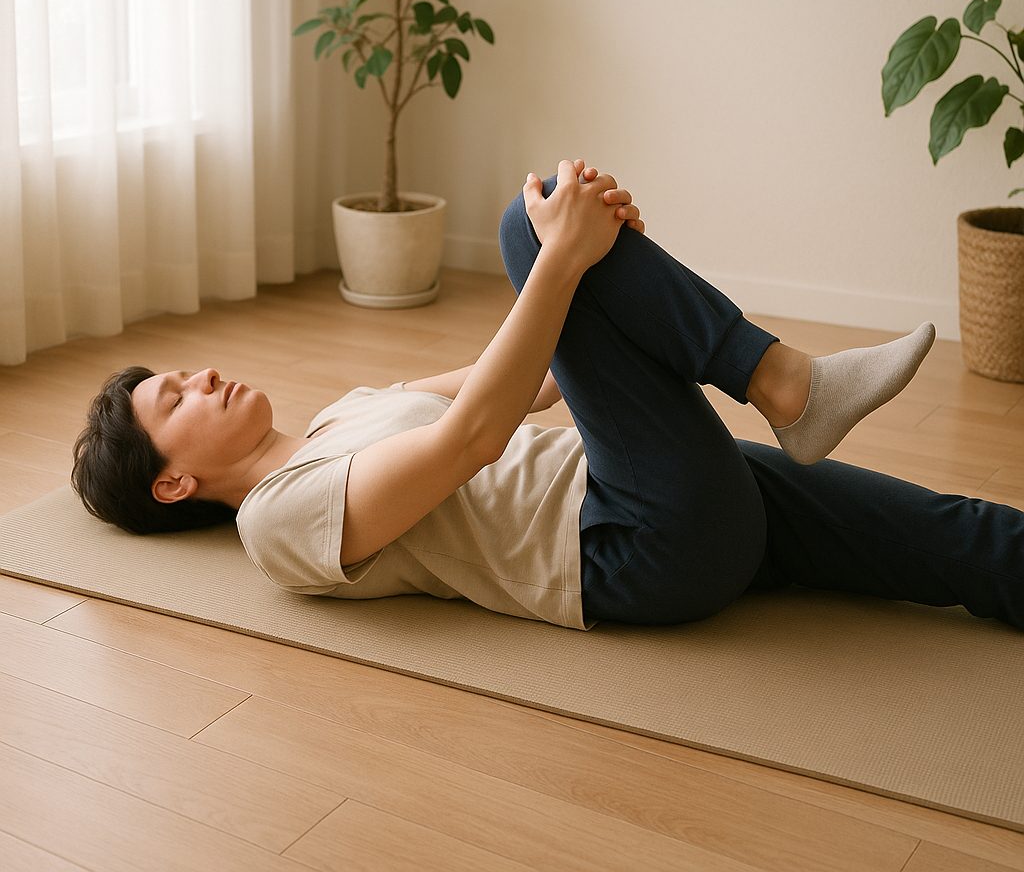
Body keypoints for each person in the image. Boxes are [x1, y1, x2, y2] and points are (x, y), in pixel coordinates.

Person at [71, 159, 1024, 632]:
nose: (202, 376)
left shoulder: (341, 411)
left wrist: (610, 275)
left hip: (652, 485)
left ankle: (787, 383)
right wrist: (561, 257)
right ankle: (785, 381)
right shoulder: (277, 524)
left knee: (962, 538)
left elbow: (524, 380)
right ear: (171, 483)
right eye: (175, 399)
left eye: (185, 371)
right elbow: (475, 438)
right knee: (526, 231)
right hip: (632, 546)